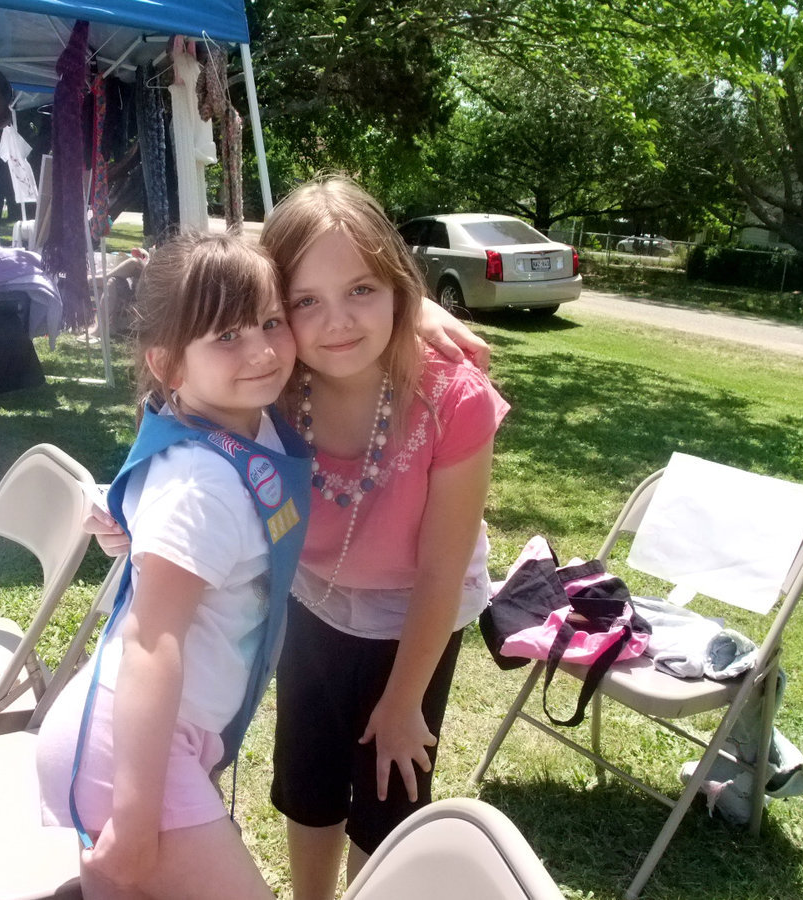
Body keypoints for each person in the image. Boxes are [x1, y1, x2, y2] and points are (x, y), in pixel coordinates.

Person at [36, 232, 311, 900]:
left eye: (271, 322)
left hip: (143, 739)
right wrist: (135, 821)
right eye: (227, 336)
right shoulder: (199, 484)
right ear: (169, 365)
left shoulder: (244, 422)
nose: (261, 350)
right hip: (129, 755)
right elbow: (150, 643)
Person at [261, 175, 509, 898]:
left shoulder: (452, 399)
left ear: (399, 286)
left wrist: (402, 704)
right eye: (306, 301)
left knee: (386, 791)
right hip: (313, 601)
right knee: (308, 779)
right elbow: (220, 273)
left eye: (362, 290)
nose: (337, 321)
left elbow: (440, 573)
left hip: (416, 616)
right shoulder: (272, 384)